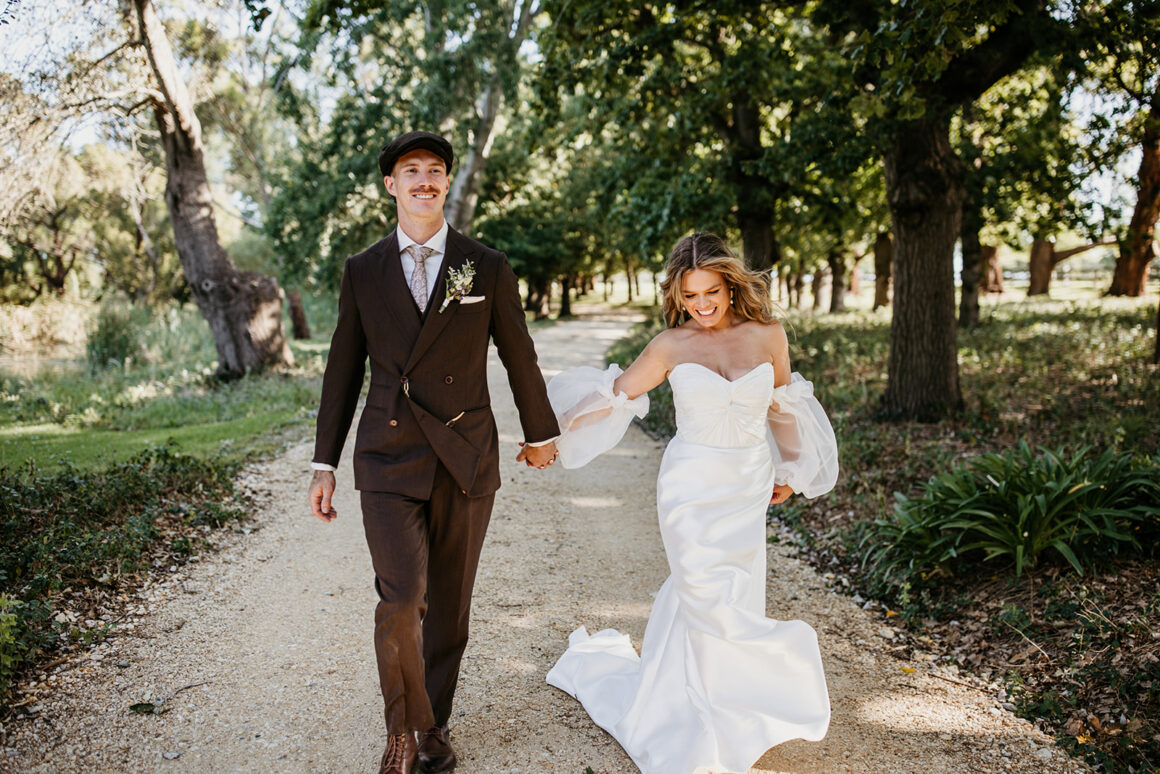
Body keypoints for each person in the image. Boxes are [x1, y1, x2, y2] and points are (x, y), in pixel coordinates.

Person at [307, 130, 560, 774]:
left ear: (446, 182)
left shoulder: (486, 265)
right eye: (411, 170)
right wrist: (323, 463)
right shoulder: (362, 270)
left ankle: (434, 726)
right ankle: (404, 730)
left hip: (464, 455)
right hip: (387, 455)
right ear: (390, 185)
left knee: (449, 608)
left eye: (435, 170)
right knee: (400, 600)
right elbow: (343, 368)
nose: (424, 179)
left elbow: (518, 352)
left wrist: (539, 432)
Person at [544, 232, 838, 774]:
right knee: (704, 590)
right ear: (677, 295)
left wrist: (791, 470)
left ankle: (718, 702)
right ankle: (707, 717)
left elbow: (783, 405)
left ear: (731, 286)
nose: (701, 305)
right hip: (690, 486)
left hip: (747, 482)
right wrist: (550, 434)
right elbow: (615, 396)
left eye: (711, 293)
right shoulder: (670, 345)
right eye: (690, 295)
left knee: (736, 590)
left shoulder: (768, 335)